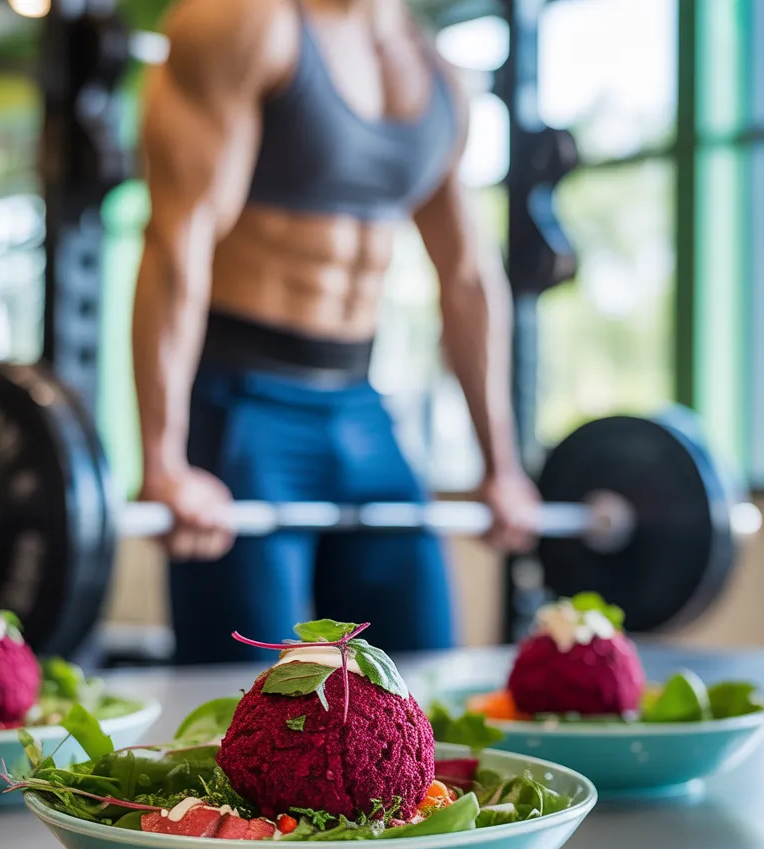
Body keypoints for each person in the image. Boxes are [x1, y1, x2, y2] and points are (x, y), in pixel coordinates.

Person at [132, 0, 541, 664]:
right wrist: (164, 462)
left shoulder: (436, 74)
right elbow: (181, 238)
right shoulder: (244, 23)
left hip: (360, 405)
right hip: (242, 405)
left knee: (422, 681)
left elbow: (467, 278)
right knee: (243, 690)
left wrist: (503, 467)